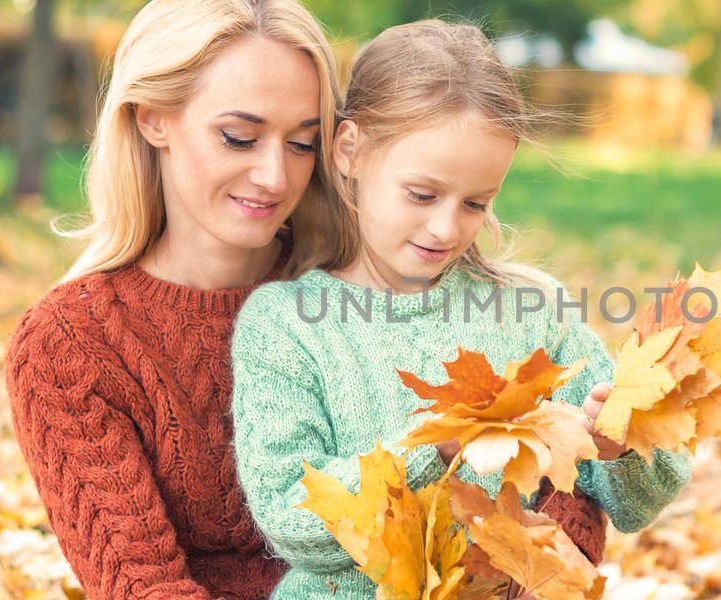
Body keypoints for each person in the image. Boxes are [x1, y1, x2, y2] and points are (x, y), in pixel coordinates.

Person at [2, 2, 609, 598]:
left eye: (300, 143)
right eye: (239, 137)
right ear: (152, 117)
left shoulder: (388, 282)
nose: (274, 176)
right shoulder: (70, 346)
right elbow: (139, 583)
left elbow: (559, 466)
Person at [229, 19, 691, 598]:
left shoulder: (530, 309)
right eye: (422, 195)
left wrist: (619, 447)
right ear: (351, 150)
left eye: (476, 202)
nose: (447, 227)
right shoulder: (285, 326)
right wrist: (433, 446)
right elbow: (292, 518)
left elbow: (641, 501)